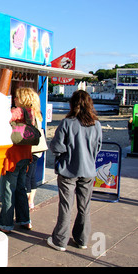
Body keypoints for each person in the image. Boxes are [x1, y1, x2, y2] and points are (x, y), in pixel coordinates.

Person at [47, 90, 102, 251]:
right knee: (85, 206)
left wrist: (64, 152)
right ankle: (82, 239)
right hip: (88, 170)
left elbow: (56, 147)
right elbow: (98, 147)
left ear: (72, 104)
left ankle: (60, 241)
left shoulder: (67, 123)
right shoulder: (96, 124)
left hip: (68, 170)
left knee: (66, 206)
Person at [0, 87, 34, 233]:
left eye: (16, 97)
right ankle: (25, 220)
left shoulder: (17, 111)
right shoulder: (31, 112)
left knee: (7, 191)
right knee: (20, 189)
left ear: (21, 98)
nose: (14, 99)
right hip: (25, 156)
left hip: (13, 158)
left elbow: (1, 119)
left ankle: (5, 224)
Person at [26, 89, 45, 210]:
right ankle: (31, 201)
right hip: (38, 149)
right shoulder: (38, 113)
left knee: (27, 176)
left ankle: (26, 203)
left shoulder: (29, 113)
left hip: (30, 149)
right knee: (32, 176)